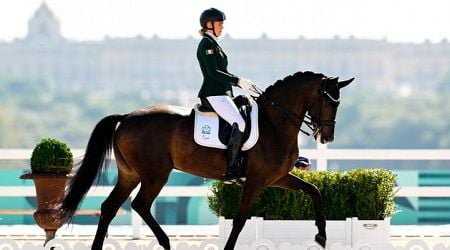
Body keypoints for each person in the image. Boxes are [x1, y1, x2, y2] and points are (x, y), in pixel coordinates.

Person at [196, 8, 255, 185]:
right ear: (209, 25)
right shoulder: (206, 45)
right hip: (213, 93)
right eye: (219, 24)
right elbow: (214, 73)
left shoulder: (214, 44)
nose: (222, 27)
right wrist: (237, 80)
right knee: (240, 123)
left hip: (223, 93)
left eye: (222, 24)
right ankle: (231, 169)